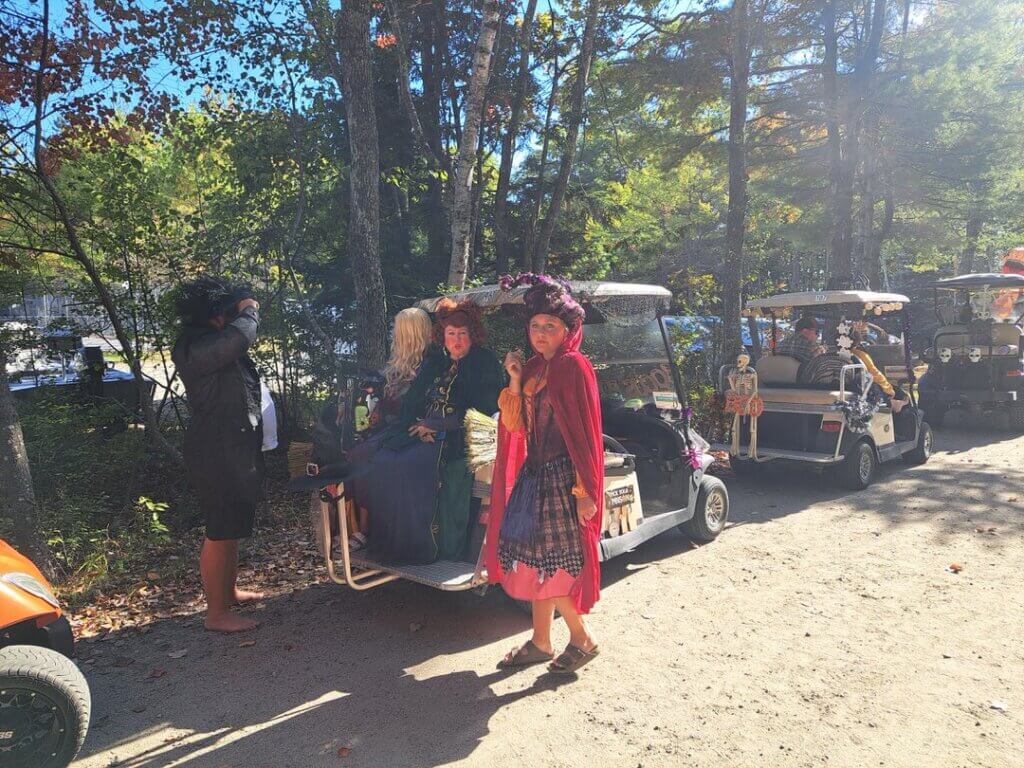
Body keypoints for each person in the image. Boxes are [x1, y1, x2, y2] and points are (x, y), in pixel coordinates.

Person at [485, 275, 604, 675]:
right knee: (535, 560)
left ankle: (582, 638)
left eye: (550, 326)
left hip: (563, 480)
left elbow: (584, 435)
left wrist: (585, 491)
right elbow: (517, 426)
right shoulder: (535, 367)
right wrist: (515, 379)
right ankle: (540, 640)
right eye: (535, 325)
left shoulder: (573, 366)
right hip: (533, 476)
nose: (540, 333)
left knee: (552, 564)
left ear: (568, 330)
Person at [357, 299, 502, 564]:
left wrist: (437, 426)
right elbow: (413, 401)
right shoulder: (437, 361)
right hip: (427, 431)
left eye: (463, 334)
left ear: (473, 335)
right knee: (383, 459)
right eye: (451, 334)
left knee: (408, 465)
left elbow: (484, 410)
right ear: (443, 336)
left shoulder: (484, 362)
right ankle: (394, 541)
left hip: (459, 437)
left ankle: (424, 547)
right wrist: (416, 426)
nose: (457, 340)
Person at [172, 276, 265, 633]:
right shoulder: (195, 347)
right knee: (219, 529)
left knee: (231, 525)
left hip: (230, 444)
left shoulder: (206, 341)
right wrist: (250, 310)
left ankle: (228, 593)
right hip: (214, 448)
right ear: (214, 315)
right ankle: (216, 614)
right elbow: (240, 338)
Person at [849, 326, 906, 413]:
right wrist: (889, 390)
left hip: (846, 389)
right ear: (856, 340)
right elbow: (875, 375)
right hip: (863, 393)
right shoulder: (861, 355)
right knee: (900, 395)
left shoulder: (831, 354)